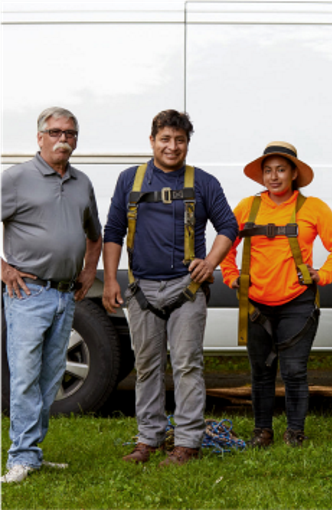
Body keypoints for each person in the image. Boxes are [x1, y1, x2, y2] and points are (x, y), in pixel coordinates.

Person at [103, 109, 238, 466]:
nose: (172, 146)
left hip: (186, 288)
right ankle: (148, 439)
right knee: (147, 366)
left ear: (187, 144)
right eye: (165, 139)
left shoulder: (204, 182)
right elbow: (113, 231)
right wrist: (110, 279)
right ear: (152, 141)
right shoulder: (129, 181)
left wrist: (211, 263)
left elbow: (229, 226)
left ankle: (187, 443)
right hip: (141, 290)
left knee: (186, 365)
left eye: (179, 140)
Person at [221, 141, 332, 447]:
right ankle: (262, 432)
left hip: (298, 303)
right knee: (261, 371)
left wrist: (324, 273)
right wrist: (230, 276)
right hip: (256, 305)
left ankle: (295, 433)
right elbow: (225, 243)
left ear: (294, 173)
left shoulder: (312, 207)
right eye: (268, 171)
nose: (274, 177)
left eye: (281, 170)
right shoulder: (247, 208)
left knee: (294, 371)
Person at [0, 107, 102, 483]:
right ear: (40, 137)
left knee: (50, 377)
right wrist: (4, 269)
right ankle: (20, 456)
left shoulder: (81, 183)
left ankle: (33, 453)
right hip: (28, 293)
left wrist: (89, 272)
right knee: (25, 376)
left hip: (63, 296)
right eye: (56, 131)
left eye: (71, 133)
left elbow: (95, 235)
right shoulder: (16, 178)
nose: (65, 138)